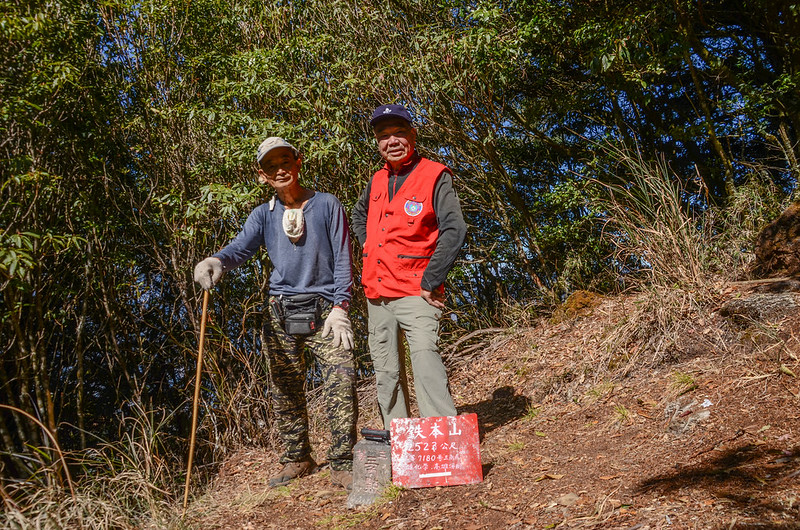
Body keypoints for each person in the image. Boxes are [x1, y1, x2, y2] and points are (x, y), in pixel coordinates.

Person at [193, 137, 357, 490]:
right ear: (262, 175)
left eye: (285, 160)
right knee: (284, 387)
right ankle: (298, 457)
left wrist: (341, 306)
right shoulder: (263, 214)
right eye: (271, 166)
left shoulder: (327, 204)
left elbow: (343, 259)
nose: (280, 169)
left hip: (325, 310)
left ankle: (343, 460)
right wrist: (217, 260)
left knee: (340, 383)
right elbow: (241, 247)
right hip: (280, 310)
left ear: (298, 162)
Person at [351, 104, 467, 429]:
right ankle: (397, 441)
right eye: (383, 136)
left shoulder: (435, 175)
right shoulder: (376, 180)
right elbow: (359, 215)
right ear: (377, 142)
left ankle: (443, 439)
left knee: (426, 362)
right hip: (376, 293)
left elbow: (455, 228)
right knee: (386, 373)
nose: (392, 141)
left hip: (417, 291)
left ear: (412, 135)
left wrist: (432, 279)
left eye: (399, 133)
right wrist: (366, 241)